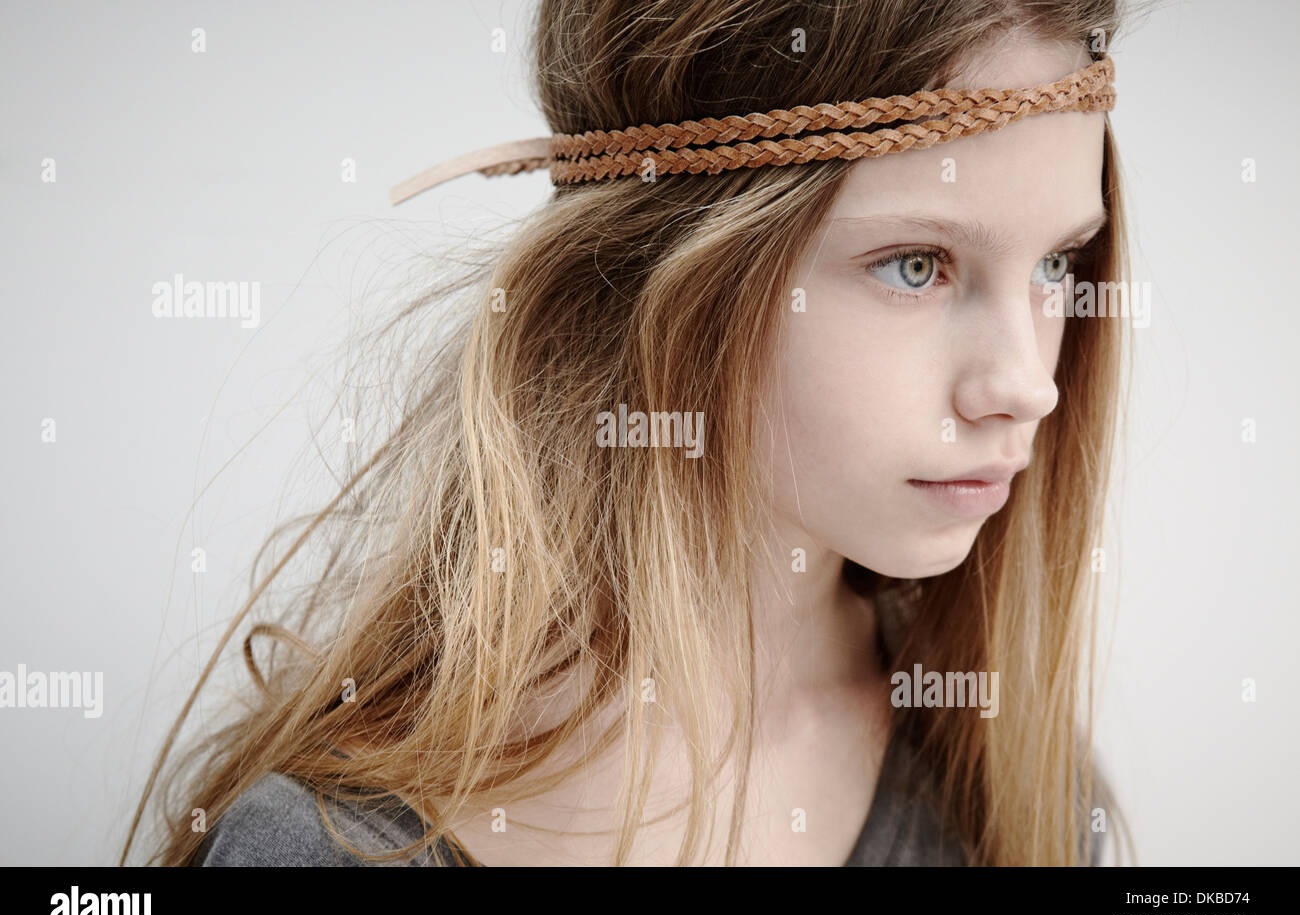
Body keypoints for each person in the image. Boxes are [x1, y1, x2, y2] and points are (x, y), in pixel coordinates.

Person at [124, 0, 1136, 867]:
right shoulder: (329, 844)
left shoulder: (1012, 793)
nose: (1023, 384)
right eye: (915, 265)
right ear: (666, 278)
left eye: (1056, 266)